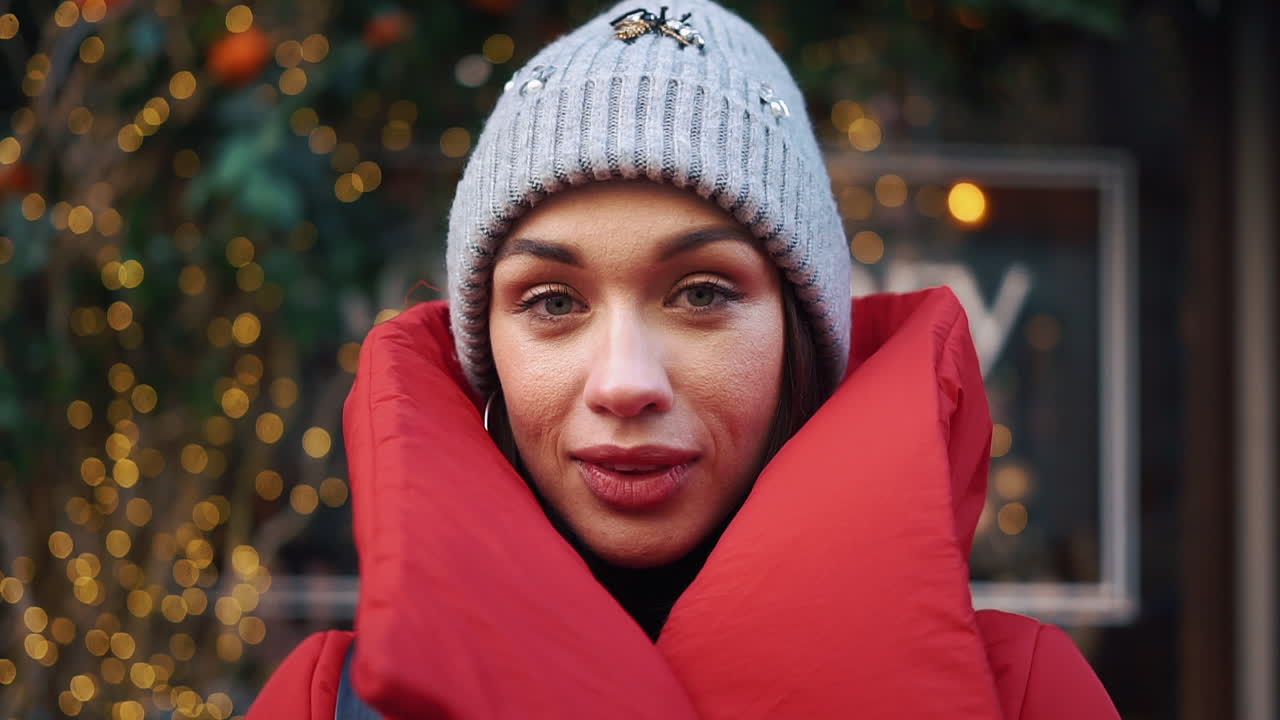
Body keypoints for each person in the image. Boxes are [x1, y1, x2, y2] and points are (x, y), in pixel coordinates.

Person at [249, 1, 1121, 717]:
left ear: (799, 339)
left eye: (702, 293)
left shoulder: (1021, 698)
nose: (626, 382)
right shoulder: (326, 706)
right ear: (488, 357)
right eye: (552, 302)